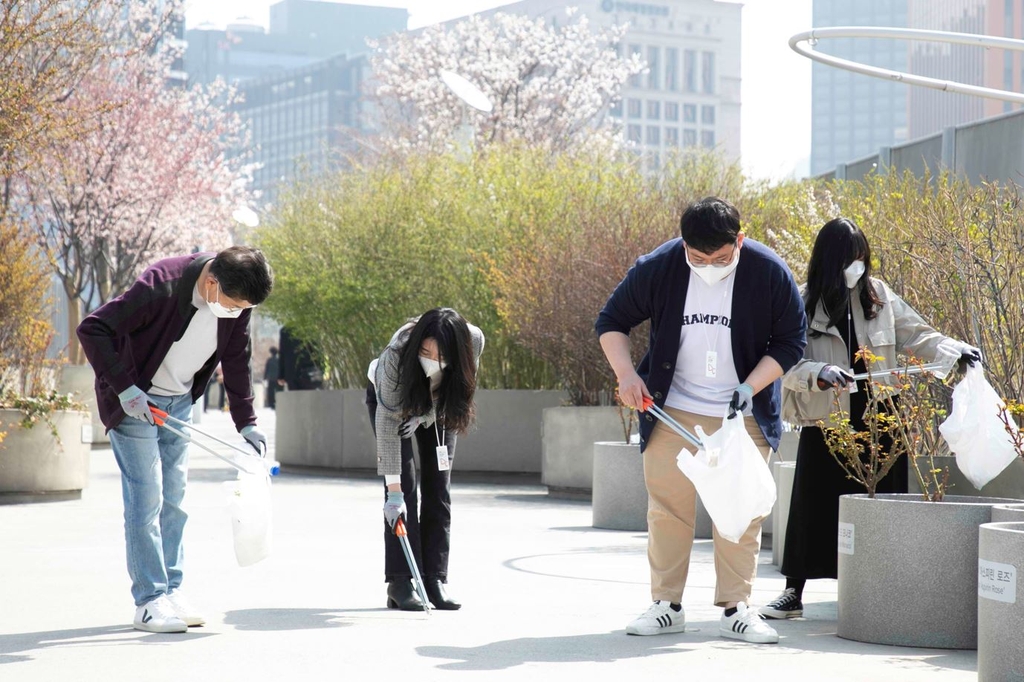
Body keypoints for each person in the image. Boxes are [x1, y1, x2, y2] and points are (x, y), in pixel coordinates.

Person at [595, 196, 806, 644]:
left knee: (740, 510)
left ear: (740, 240)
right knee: (668, 508)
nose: (709, 265)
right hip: (672, 408)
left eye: (721, 258)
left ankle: (736, 608)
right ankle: (666, 605)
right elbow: (612, 321)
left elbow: (790, 341)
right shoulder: (661, 265)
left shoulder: (768, 271)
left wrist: (751, 386)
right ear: (684, 245)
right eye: (698, 257)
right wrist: (627, 374)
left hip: (740, 409)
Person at [766, 217, 981, 620]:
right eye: (850, 259)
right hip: (830, 420)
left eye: (862, 257)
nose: (858, 266)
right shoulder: (802, 301)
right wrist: (819, 373)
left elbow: (917, 334)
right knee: (813, 503)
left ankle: (882, 586)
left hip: (882, 414)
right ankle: (793, 591)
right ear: (831, 261)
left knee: (884, 501)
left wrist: (955, 350)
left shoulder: (878, 295)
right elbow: (784, 361)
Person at [77, 246, 274, 633]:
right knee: (146, 496)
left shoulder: (237, 301)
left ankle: (171, 590)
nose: (237, 313)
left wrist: (246, 422)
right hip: (137, 400)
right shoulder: (162, 284)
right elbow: (93, 328)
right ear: (211, 282)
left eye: (244, 309)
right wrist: (125, 389)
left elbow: (237, 358)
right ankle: (149, 601)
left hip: (179, 401)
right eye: (234, 305)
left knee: (175, 498)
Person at [365, 308, 484, 611]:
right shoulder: (397, 353)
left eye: (439, 353)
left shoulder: (473, 340)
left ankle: (434, 578)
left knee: (438, 488)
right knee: (404, 488)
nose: (430, 358)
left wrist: (427, 415)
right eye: (424, 350)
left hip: (439, 405)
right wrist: (393, 494)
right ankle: (401, 581)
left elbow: (461, 389)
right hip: (393, 406)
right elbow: (388, 420)